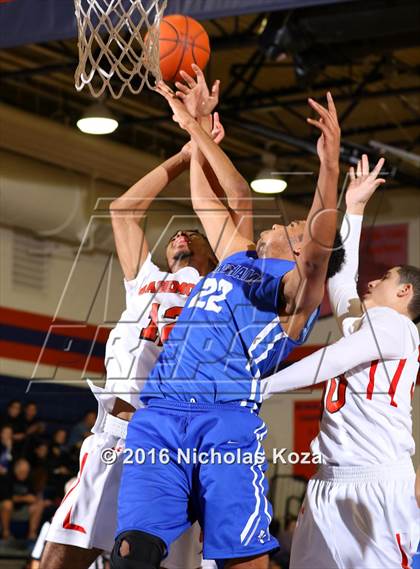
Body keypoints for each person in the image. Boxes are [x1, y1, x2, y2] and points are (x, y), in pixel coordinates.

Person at [111, 70, 342, 569]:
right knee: (132, 554)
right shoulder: (239, 255)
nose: (288, 221)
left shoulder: (294, 291)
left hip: (227, 422)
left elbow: (321, 244)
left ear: (301, 250)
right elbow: (212, 198)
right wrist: (193, 128)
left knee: (240, 562)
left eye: (296, 225)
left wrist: (329, 169)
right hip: (161, 416)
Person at [41, 87, 234, 569]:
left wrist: (205, 148)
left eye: (193, 234)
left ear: (213, 253)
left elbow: (227, 213)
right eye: (174, 237)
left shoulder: (218, 289)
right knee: (57, 560)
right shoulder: (145, 281)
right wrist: (185, 152)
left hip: (171, 441)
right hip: (113, 434)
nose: (181, 237)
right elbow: (123, 211)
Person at [260, 156, 420, 568]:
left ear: (404, 293)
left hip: (376, 484)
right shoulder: (371, 329)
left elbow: (328, 361)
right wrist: (355, 209)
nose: (372, 281)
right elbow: (340, 280)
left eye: (384, 278)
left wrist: (259, 386)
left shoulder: (397, 329)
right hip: (328, 481)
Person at [0, 458, 45, 544]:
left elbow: (33, 497)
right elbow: (6, 497)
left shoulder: (28, 480)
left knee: (39, 505)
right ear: (16, 470)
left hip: (24, 509)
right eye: (22, 472)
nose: (24, 474)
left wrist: (24, 498)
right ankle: (6, 532)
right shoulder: (7, 478)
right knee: (7, 504)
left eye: (26, 472)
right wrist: (24, 498)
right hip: (7, 509)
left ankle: (32, 534)